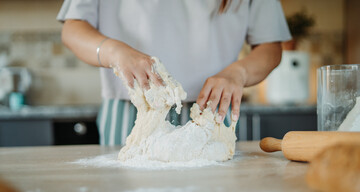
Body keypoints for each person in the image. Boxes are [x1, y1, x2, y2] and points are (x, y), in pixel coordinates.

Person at [57, 0, 291, 146]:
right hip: (131, 113)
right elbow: (73, 28)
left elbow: (270, 47)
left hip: (213, 112)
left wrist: (238, 72)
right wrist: (113, 51)